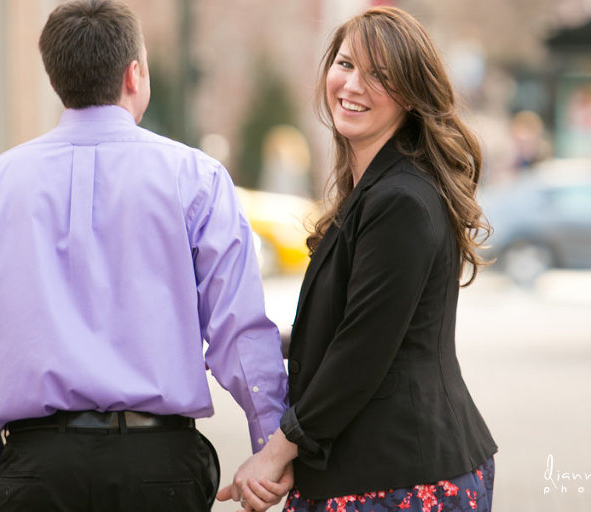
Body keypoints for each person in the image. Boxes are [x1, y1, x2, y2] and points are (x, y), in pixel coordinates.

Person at [0, 1, 289, 510]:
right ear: (134, 74)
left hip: (35, 467)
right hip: (158, 468)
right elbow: (239, 332)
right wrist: (271, 447)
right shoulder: (196, 180)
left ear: (56, 79)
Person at [217, 6, 498, 512]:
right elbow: (350, 327)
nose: (353, 85)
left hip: (401, 480)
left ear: (412, 96)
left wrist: (274, 453)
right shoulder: (377, 191)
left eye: (380, 76)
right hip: (375, 473)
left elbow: (362, 351)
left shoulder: (401, 201)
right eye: (346, 64)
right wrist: (250, 338)